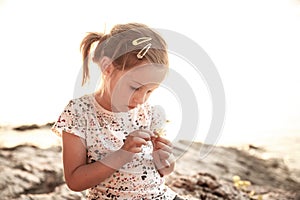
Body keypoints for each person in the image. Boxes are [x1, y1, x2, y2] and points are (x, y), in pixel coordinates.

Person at [52, 23, 185, 200]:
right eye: (134, 88)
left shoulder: (149, 113)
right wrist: (123, 154)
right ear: (108, 68)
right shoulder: (79, 112)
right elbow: (75, 181)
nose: (141, 100)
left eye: (150, 91)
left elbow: (165, 171)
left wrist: (164, 157)